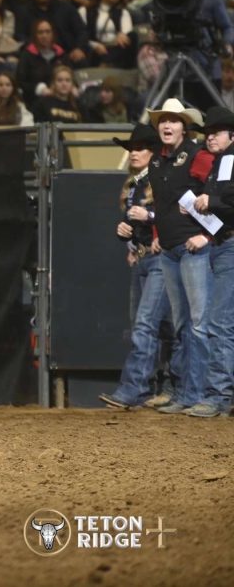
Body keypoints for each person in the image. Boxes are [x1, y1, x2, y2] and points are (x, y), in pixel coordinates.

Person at [145, 98, 215, 415]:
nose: (167, 125)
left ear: (184, 126)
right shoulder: (156, 163)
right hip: (171, 249)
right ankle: (186, 392)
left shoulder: (198, 156)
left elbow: (211, 193)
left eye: (173, 120)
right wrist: (157, 236)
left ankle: (200, 393)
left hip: (192, 247)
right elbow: (161, 204)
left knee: (198, 324)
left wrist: (208, 235)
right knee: (183, 324)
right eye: (163, 121)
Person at [99, 124, 171, 410]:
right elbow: (132, 222)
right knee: (148, 325)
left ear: (152, 152)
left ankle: (134, 388)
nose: (133, 153)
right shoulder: (133, 184)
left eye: (140, 148)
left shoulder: (159, 178)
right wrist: (126, 237)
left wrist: (149, 215)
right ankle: (150, 386)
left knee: (146, 324)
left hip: (158, 258)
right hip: (142, 257)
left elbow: (172, 213)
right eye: (131, 149)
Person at [189, 106, 234, 417]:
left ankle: (219, 395)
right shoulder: (221, 161)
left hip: (229, 246)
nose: (210, 136)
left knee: (219, 322)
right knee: (221, 322)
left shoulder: (229, 159)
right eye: (207, 132)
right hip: (222, 243)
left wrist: (211, 201)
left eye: (216, 131)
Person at [20, 0, 89, 66]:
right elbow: (20, 36)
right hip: (36, 56)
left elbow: (81, 31)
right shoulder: (24, 12)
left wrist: (79, 48)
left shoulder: (67, 8)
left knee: (82, 60)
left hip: (68, 55)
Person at [78, 0, 135, 69]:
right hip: (95, 50)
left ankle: (107, 63)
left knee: (133, 36)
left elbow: (127, 34)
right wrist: (95, 45)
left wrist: (122, 34)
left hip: (116, 48)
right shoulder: (84, 11)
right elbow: (80, 34)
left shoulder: (123, 13)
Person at [16, 19, 66, 107]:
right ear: (35, 35)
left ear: (53, 34)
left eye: (48, 32)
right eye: (40, 32)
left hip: (61, 97)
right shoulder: (27, 55)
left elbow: (69, 74)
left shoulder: (60, 53)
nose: (44, 35)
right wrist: (39, 88)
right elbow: (21, 81)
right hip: (35, 100)